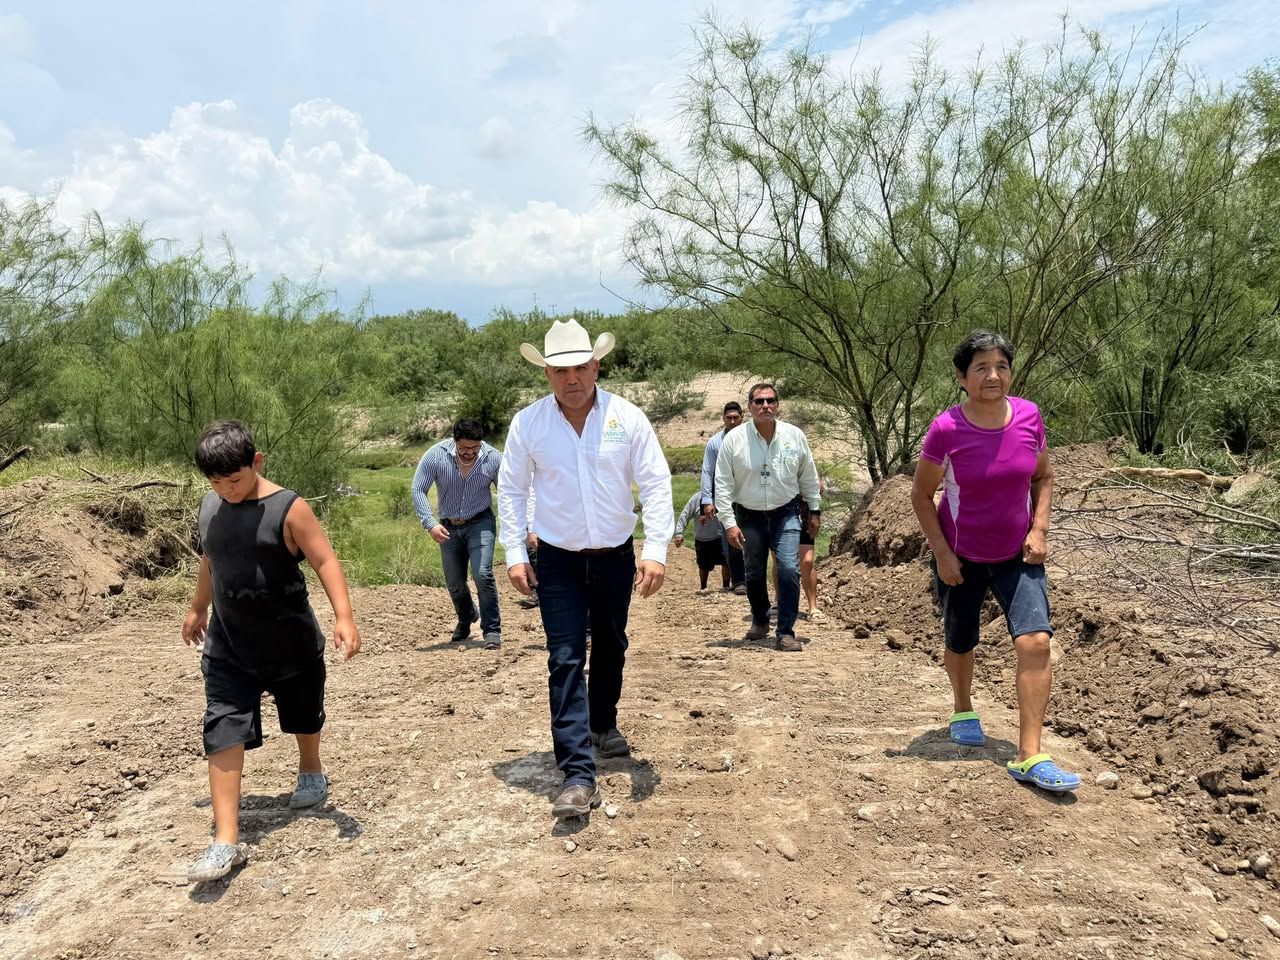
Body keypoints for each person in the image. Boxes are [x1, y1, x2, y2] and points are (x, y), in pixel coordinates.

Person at [497, 318, 673, 819]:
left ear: (596, 367)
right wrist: (515, 553)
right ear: (547, 375)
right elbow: (511, 490)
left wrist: (655, 548)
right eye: (560, 370)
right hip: (558, 559)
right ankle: (577, 773)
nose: (571, 378)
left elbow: (655, 482)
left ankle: (601, 723)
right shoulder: (528, 424)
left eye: (579, 367)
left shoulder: (627, 418)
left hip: (616, 555)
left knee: (612, 643)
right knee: (565, 656)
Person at [182, 421, 362, 882]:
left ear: (257, 462)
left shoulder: (289, 508)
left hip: (290, 640)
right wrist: (199, 607)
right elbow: (210, 558)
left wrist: (344, 617)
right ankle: (225, 841)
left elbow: (325, 559)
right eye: (216, 482)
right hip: (229, 645)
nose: (226, 490)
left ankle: (311, 769)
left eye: (234, 479)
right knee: (222, 725)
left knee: (304, 713)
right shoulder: (210, 506)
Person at [910, 330, 1079, 793]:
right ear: (962, 377)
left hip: (1017, 554)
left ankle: (1030, 755)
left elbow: (1043, 477)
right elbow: (921, 495)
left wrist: (1040, 529)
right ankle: (963, 707)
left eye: (1001, 366)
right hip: (961, 556)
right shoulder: (946, 429)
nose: (993, 375)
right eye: (981, 367)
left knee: (1036, 641)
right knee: (961, 638)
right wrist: (942, 553)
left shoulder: (1029, 416)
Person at [715, 383, 821, 651]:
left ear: (778, 404)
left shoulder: (794, 436)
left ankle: (785, 631)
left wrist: (814, 510)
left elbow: (808, 476)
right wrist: (729, 523)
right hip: (748, 515)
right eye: (759, 401)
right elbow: (723, 484)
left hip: (785, 512)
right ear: (750, 406)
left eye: (770, 401)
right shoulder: (734, 440)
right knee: (753, 571)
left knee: (788, 568)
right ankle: (760, 619)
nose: (765, 406)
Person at [412, 419, 503, 649]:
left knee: (483, 574)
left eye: (475, 448)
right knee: (454, 582)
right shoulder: (436, 455)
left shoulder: (493, 458)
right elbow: (418, 489)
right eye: (464, 449)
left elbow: (507, 492)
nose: (470, 453)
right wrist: (430, 523)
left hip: (480, 522)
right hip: (448, 526)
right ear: (455, 442)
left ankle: (492, 630)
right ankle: (466, 616)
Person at [700, 401, 746, 592]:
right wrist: (707, 500)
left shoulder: (750, 438)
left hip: (748, 495)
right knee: (731, 537)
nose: (732, 421)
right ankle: (739, 581)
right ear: (723, 419)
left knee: (752, 536)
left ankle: (752, 577)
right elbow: (707, 471)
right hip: (725, 497)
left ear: (742, 418)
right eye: (729, 418)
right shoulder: (715, 443)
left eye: (736, 418)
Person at [673, 490, 730, 592]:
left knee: (725, 561)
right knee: (703, 565)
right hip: (702, 539)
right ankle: (703, 587)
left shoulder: (722, 495)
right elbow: (685, 515)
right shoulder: (696, 499)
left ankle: (726, 586)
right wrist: (679, 533)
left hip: (720, 537)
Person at [797, 480, 829, 624]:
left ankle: (813, 607)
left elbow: (819, 487)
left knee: (807, 561)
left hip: (804, 513)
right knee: (780, 561)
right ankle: (779, 602)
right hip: (779, 513)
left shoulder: (806, 464)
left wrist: (815, 514)